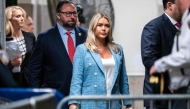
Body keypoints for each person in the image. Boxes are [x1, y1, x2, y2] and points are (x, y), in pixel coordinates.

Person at [68, 13, 132, 109]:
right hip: (90, 104)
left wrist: (128, 104)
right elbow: (76, 80)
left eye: (107, 25)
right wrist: (73, 104)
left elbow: (123, 79)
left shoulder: (118, 50)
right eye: (100, 25)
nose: (103, 28)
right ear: (93, 27)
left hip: (113, 105)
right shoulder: (82, 50)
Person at [28, 1, 87, 98]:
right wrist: (37, 96)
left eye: (74, 13)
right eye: (68, 13)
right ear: (58, 15)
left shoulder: (86, 35)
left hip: (82, 95)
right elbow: (34, 70)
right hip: (55, 96)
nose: (72, 16)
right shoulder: (45, 38)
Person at [141, 0, 183, 108]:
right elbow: (149, 59)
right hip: (159, 97)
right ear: (170, 5)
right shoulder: (153, 27)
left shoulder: (186, 27)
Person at [150, 0, 190, 108]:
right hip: (177, 89)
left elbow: (186, 55)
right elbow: (149, 57)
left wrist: (159, 65)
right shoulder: (154, 26)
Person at [5, 6, 36, 87]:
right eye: (18, 16)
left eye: (22, 16)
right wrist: (11, 64)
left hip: (28, 81)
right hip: (10, 80)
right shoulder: (4, 39)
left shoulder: (30, 37)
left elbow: (35, 59)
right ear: (10, 20)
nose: (22, 18)